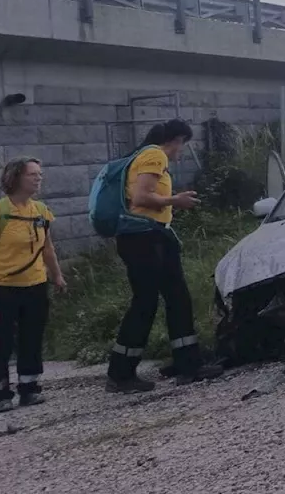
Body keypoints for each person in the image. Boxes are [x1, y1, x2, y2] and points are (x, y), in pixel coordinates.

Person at [106, 120, 222, 393]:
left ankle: (188, 363)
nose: (181, 150)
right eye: (183, 143)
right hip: (144, 239)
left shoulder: (143, 156)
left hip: (151, 237)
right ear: (176, 139)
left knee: (176, 297)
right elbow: (141, 198)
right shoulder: (154, 155)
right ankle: (121, 373)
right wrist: (175, 201)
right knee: (146, 302)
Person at [0, 157, 66, 413]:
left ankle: (29, 389)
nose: (38, 178)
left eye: (40, 174)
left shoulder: (41, 211)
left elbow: (47, 248)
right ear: (15, 178)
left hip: (35, 285)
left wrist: (57, 276)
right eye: (32, 174)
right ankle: (0, 393)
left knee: (32, 338)